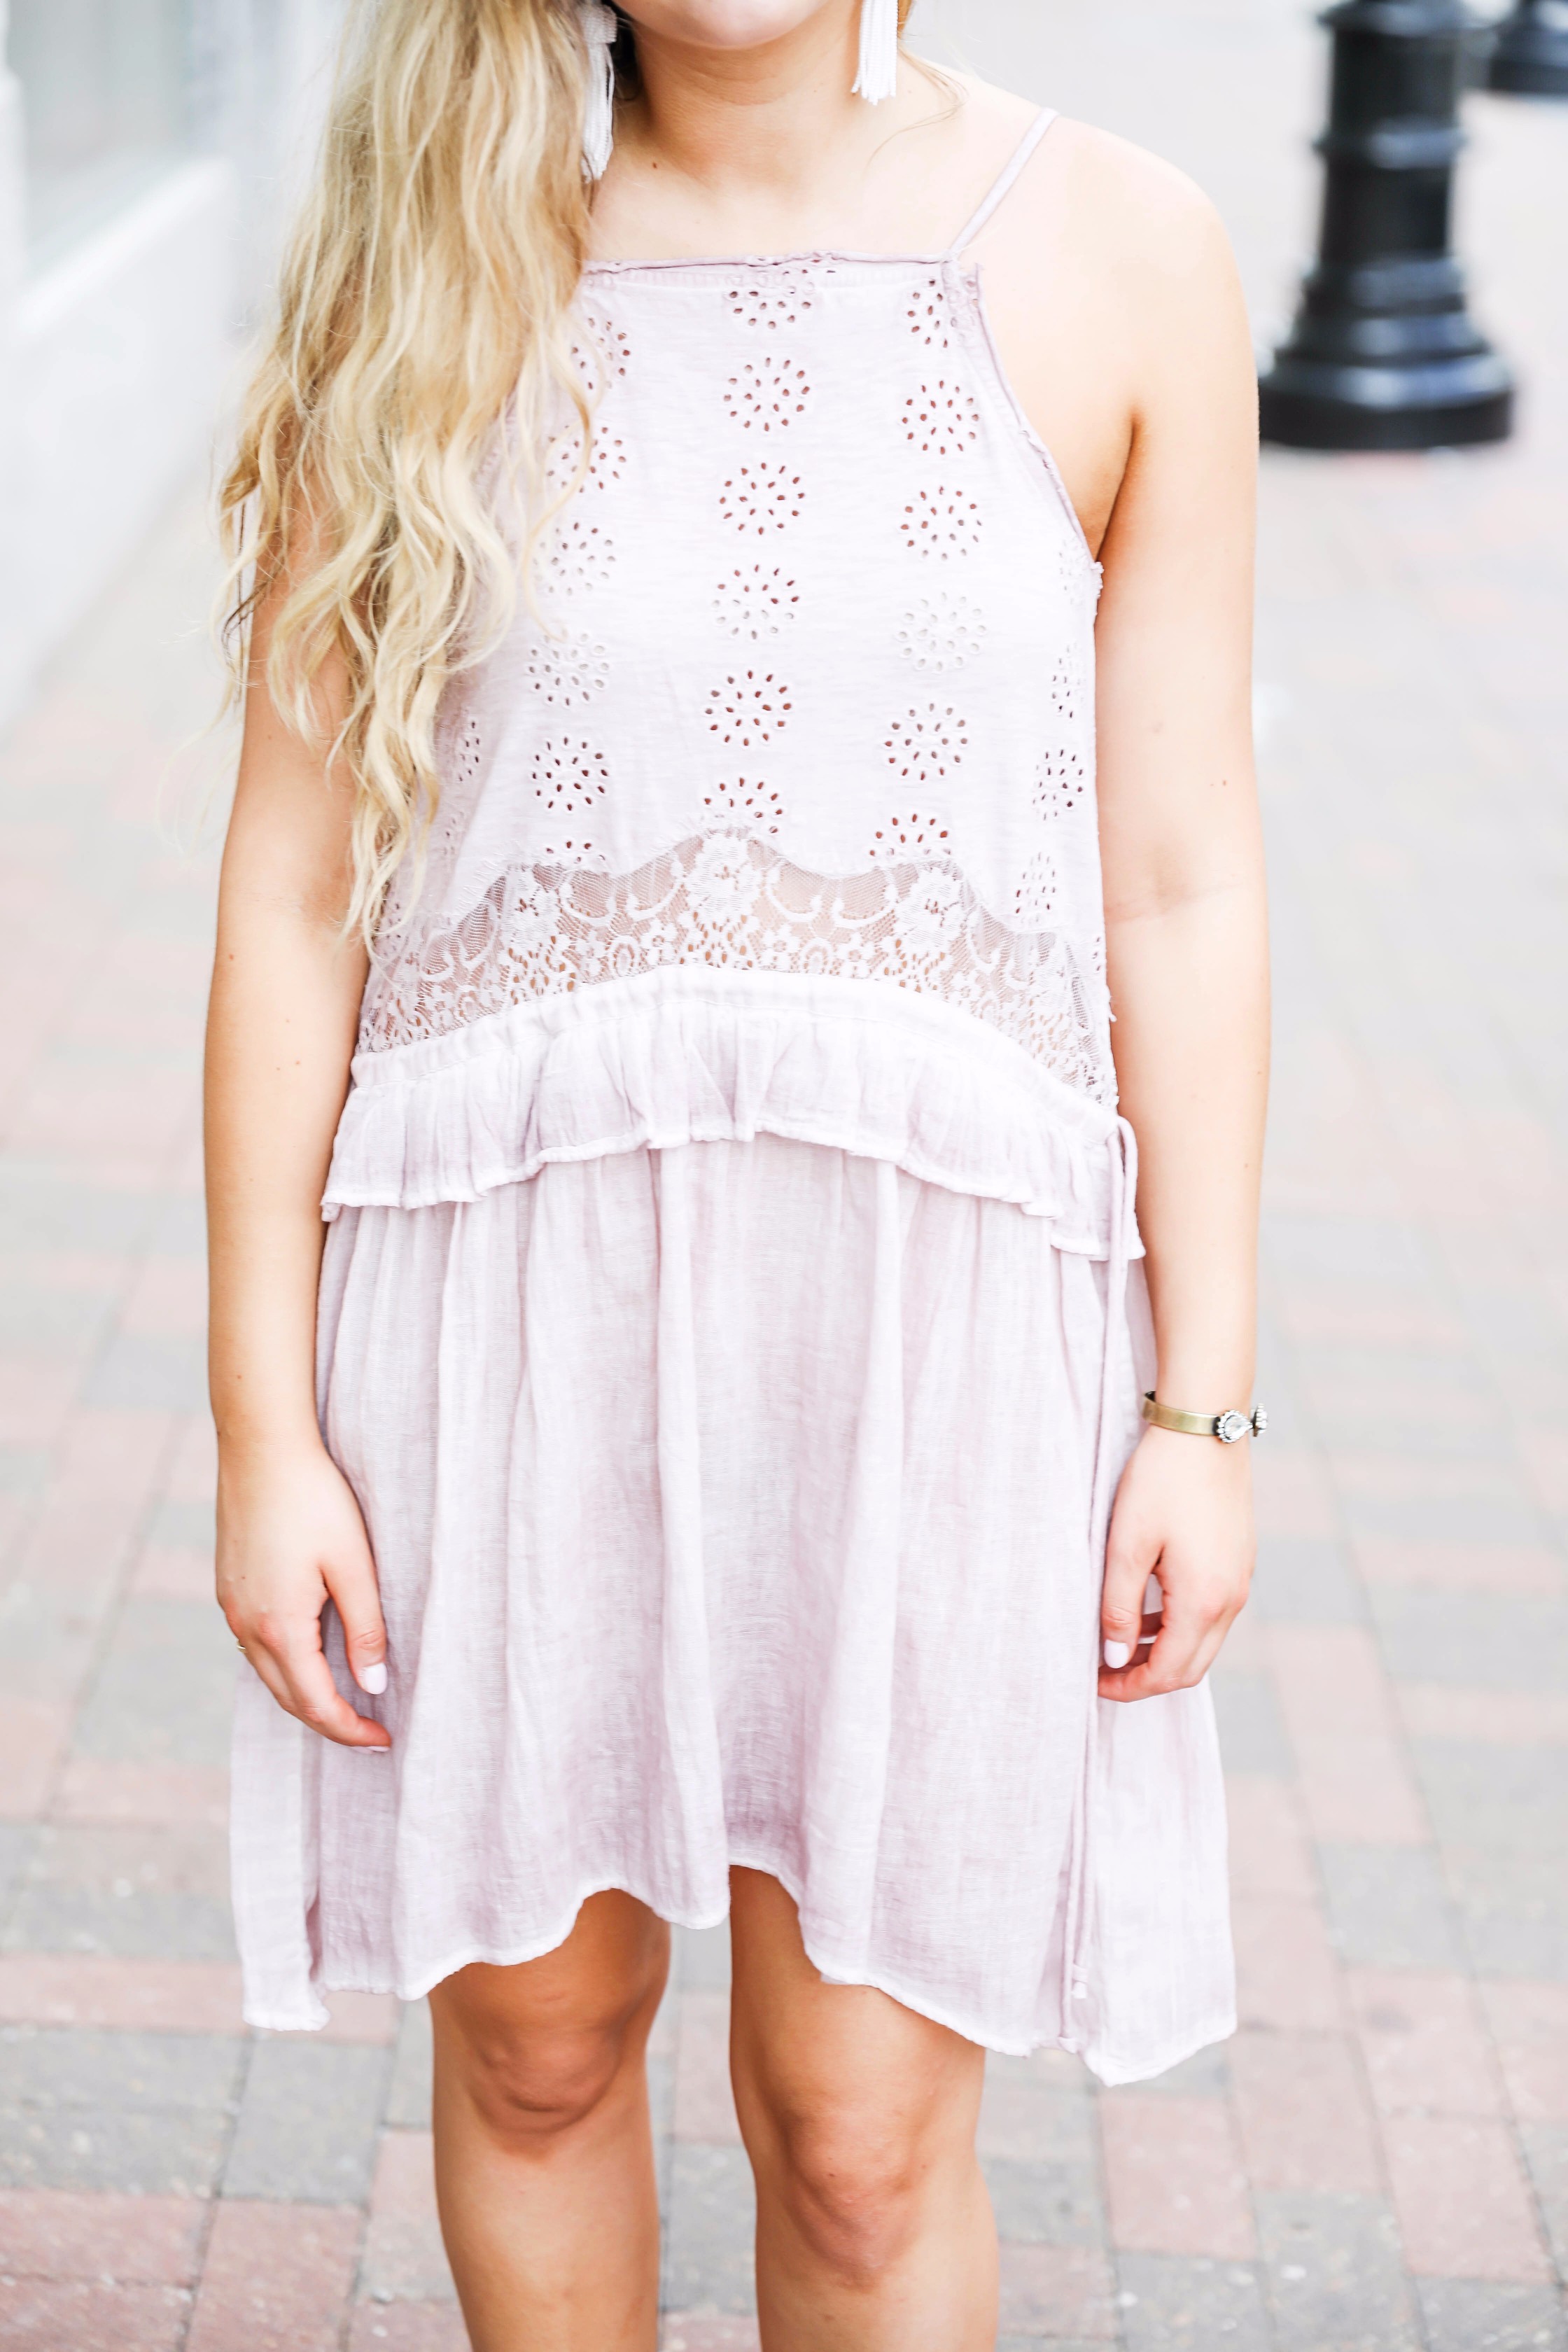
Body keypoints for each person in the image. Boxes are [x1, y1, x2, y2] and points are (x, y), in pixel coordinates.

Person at [206, 1, 1268, 2343]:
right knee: (546, 2053)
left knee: (867, 2145)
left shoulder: (1121, 248)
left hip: (929, 1335)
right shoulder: (434, 256)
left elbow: (1181, 878)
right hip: (512, 1313)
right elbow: (293, 892)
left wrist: (1204, 1404)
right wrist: (263, 1432)